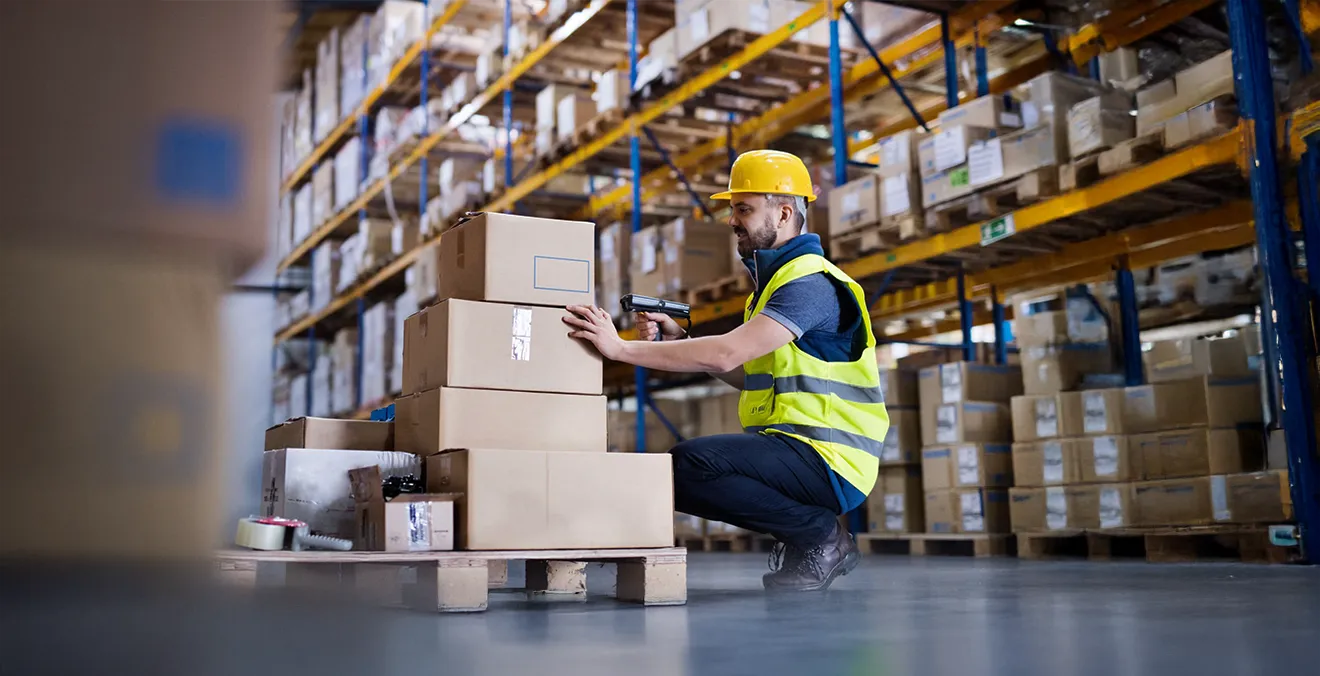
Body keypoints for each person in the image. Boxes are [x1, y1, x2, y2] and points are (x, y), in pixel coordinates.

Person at [563, 150, 890, 592]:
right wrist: (678, 342)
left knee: (688, 465)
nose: (733, 221)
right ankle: (813, 535)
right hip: (798, 450)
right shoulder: (772, 289)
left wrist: (619, 349)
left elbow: (723, 354)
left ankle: (818, 536)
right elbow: (746, 373)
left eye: (744, 209)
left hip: (831, 458)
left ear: (785, 211)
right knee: (685, 467)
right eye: (732, 209)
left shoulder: (811, 285)